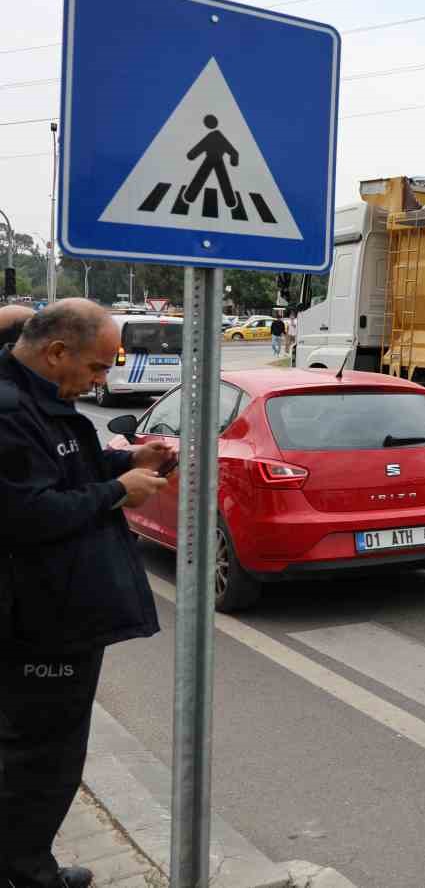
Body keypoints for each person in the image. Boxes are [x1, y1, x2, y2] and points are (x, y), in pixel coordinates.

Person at [0, 300, 171, 888]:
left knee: (49, 753)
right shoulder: (8, 412)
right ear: (56, 353)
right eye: (98, 368)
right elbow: (26, 513)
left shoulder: (39, 402)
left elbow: (66, 467)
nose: (102, 380)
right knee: (37, 758)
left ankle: (28, 863)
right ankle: (25, 873)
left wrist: (125, 458)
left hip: (59, 610)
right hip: (34, 619)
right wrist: (117, 492)